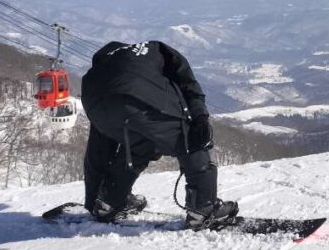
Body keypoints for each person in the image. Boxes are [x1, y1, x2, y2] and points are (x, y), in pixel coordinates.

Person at [80, 41, 239, 229]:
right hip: (140, 94)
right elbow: (187, 82)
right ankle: (203, 209)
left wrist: (92, 201)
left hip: (93, 102)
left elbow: (97, 151)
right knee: (191, 139)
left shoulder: (103, 70)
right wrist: (200, 118)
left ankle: (108, 202)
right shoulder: (155, 48)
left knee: (138, 145)